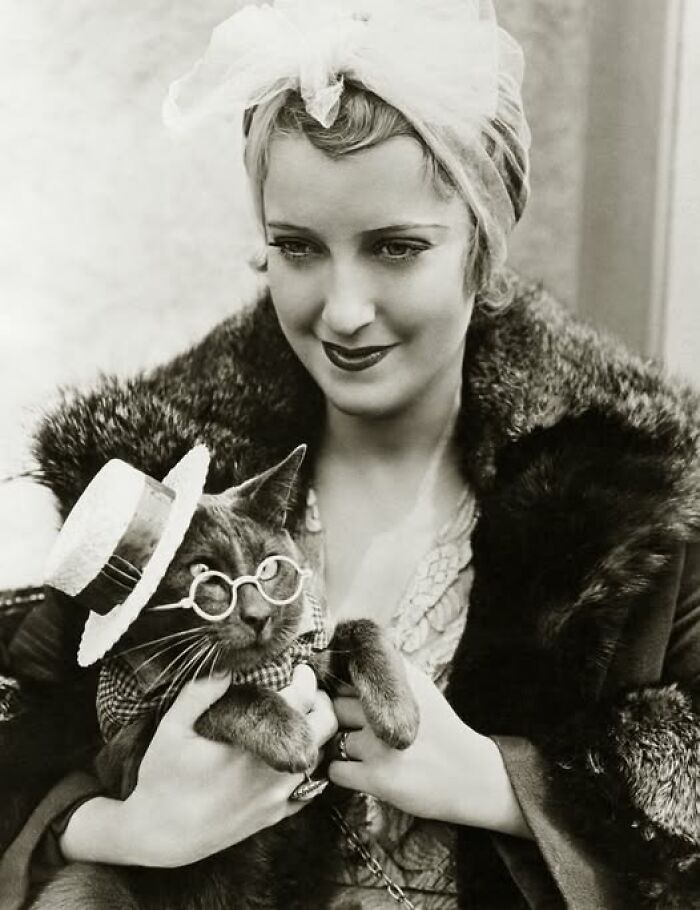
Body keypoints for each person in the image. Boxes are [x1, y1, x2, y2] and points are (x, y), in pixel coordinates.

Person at [1, 0, 699, 907]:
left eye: (396, 248)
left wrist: (505, 785)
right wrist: (125, 828)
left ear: (482, 248)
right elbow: (24, 754)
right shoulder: (152, 491)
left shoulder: (636, 499)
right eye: (297, 247)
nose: (341, 310)